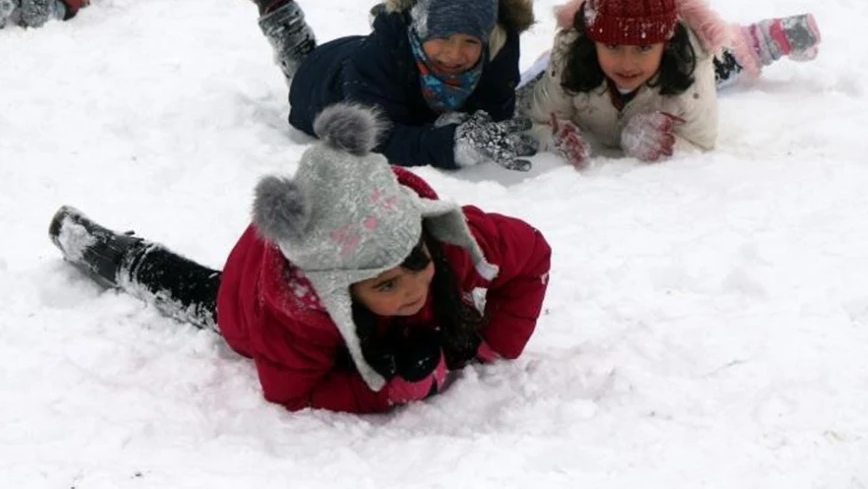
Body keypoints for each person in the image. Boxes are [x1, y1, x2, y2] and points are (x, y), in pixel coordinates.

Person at [48, 103, 552, 414]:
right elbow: (292, 392)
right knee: (197, 292)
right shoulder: (296, 315)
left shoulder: (443, 239)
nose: (412, 290)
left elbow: (532, 257)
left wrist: (493, 344)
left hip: (332, 230)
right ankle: (104, 250)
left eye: (414, 265)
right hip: (250, 296)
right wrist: (387, 390)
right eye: (384, 286)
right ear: (339, 290)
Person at [518, 0, 821, 167]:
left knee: (723, 59)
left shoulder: (689, 64)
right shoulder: (569, 58)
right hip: (584, 67)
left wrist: (665, 142)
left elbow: (703, 141)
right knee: (537, 79)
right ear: (593, 38)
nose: (627, 62)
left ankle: (758, 40)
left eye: (643, 47)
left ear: (666, 40)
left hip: (676, 72)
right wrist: (555, 140)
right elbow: (534, 121)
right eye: (611, 45)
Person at [224, 0, 539, 171]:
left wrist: (475, 127)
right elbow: (375, 140)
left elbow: (496, 110)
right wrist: (450, 145)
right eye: (442, 37)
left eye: (470, 40)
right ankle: (275, 2)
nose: (455, 54)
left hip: (380, 62)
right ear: (418, 28)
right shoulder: (376, 60)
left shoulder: (498, 47)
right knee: (300, 61)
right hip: (325, 81)